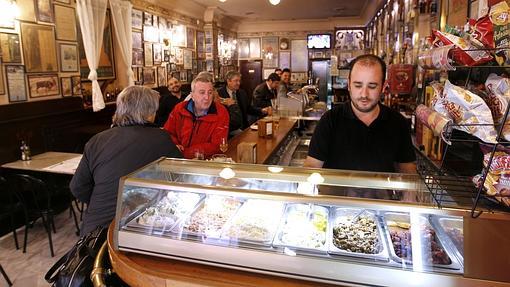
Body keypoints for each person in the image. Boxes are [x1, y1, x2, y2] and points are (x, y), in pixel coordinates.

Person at [70, 86, 182, 235]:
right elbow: (180, 177)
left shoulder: (98, 140)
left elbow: (77, 187)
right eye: (154, 111)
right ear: (148, 112)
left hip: (93, 232)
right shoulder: (160, 138)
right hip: (132, 231)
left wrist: (103, 200)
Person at [304, 54, 416, 174]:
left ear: (383, 87)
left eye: (372, 86)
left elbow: (407, 172)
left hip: (381, 193)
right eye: (358, 85)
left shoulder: (397, 123)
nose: (364, 94)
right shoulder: (330, 120)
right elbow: (311, 167)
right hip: (334, 193)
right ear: (349, 85)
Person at [164, 74, 229, 159]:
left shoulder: (221, 112)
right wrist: (176, 146)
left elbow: (217, 145)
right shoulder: (180, 108)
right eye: (202, 92)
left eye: (210, 92)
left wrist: (185, 153)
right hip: (177, 159)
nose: (207, 97)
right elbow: (168, 132)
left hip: (205, 162)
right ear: (192, 95)